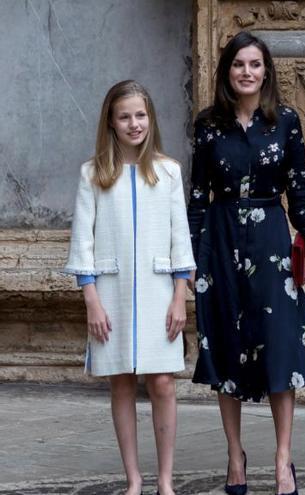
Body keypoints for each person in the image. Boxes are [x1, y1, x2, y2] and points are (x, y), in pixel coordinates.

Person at [187, 31, 305, 495]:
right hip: (220, 240)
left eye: (255, 64)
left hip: (270, 237)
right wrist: (191, 255)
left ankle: (284, 461)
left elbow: (299, 186)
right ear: (227, 71)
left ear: (267, 71)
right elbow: (198, 195)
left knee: (280, 344)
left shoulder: (285, 121)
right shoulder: (208, 125)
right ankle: (235, 456)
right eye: (239, 64)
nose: (247, 72)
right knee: (225, 343)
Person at [64, 80, 195, 495]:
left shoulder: (169, 172)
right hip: (111, 293)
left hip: (161, 294)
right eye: (124, 116)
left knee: (162, 383)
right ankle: (134, 480)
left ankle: (166, 480)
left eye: (140, 115)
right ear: (111, 122)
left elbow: (181, 237)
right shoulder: (93, 174)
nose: (134, 123)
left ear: (150, 119)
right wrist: (92, 302)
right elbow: (82, 240)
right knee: (120, 380)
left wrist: (180, 297)